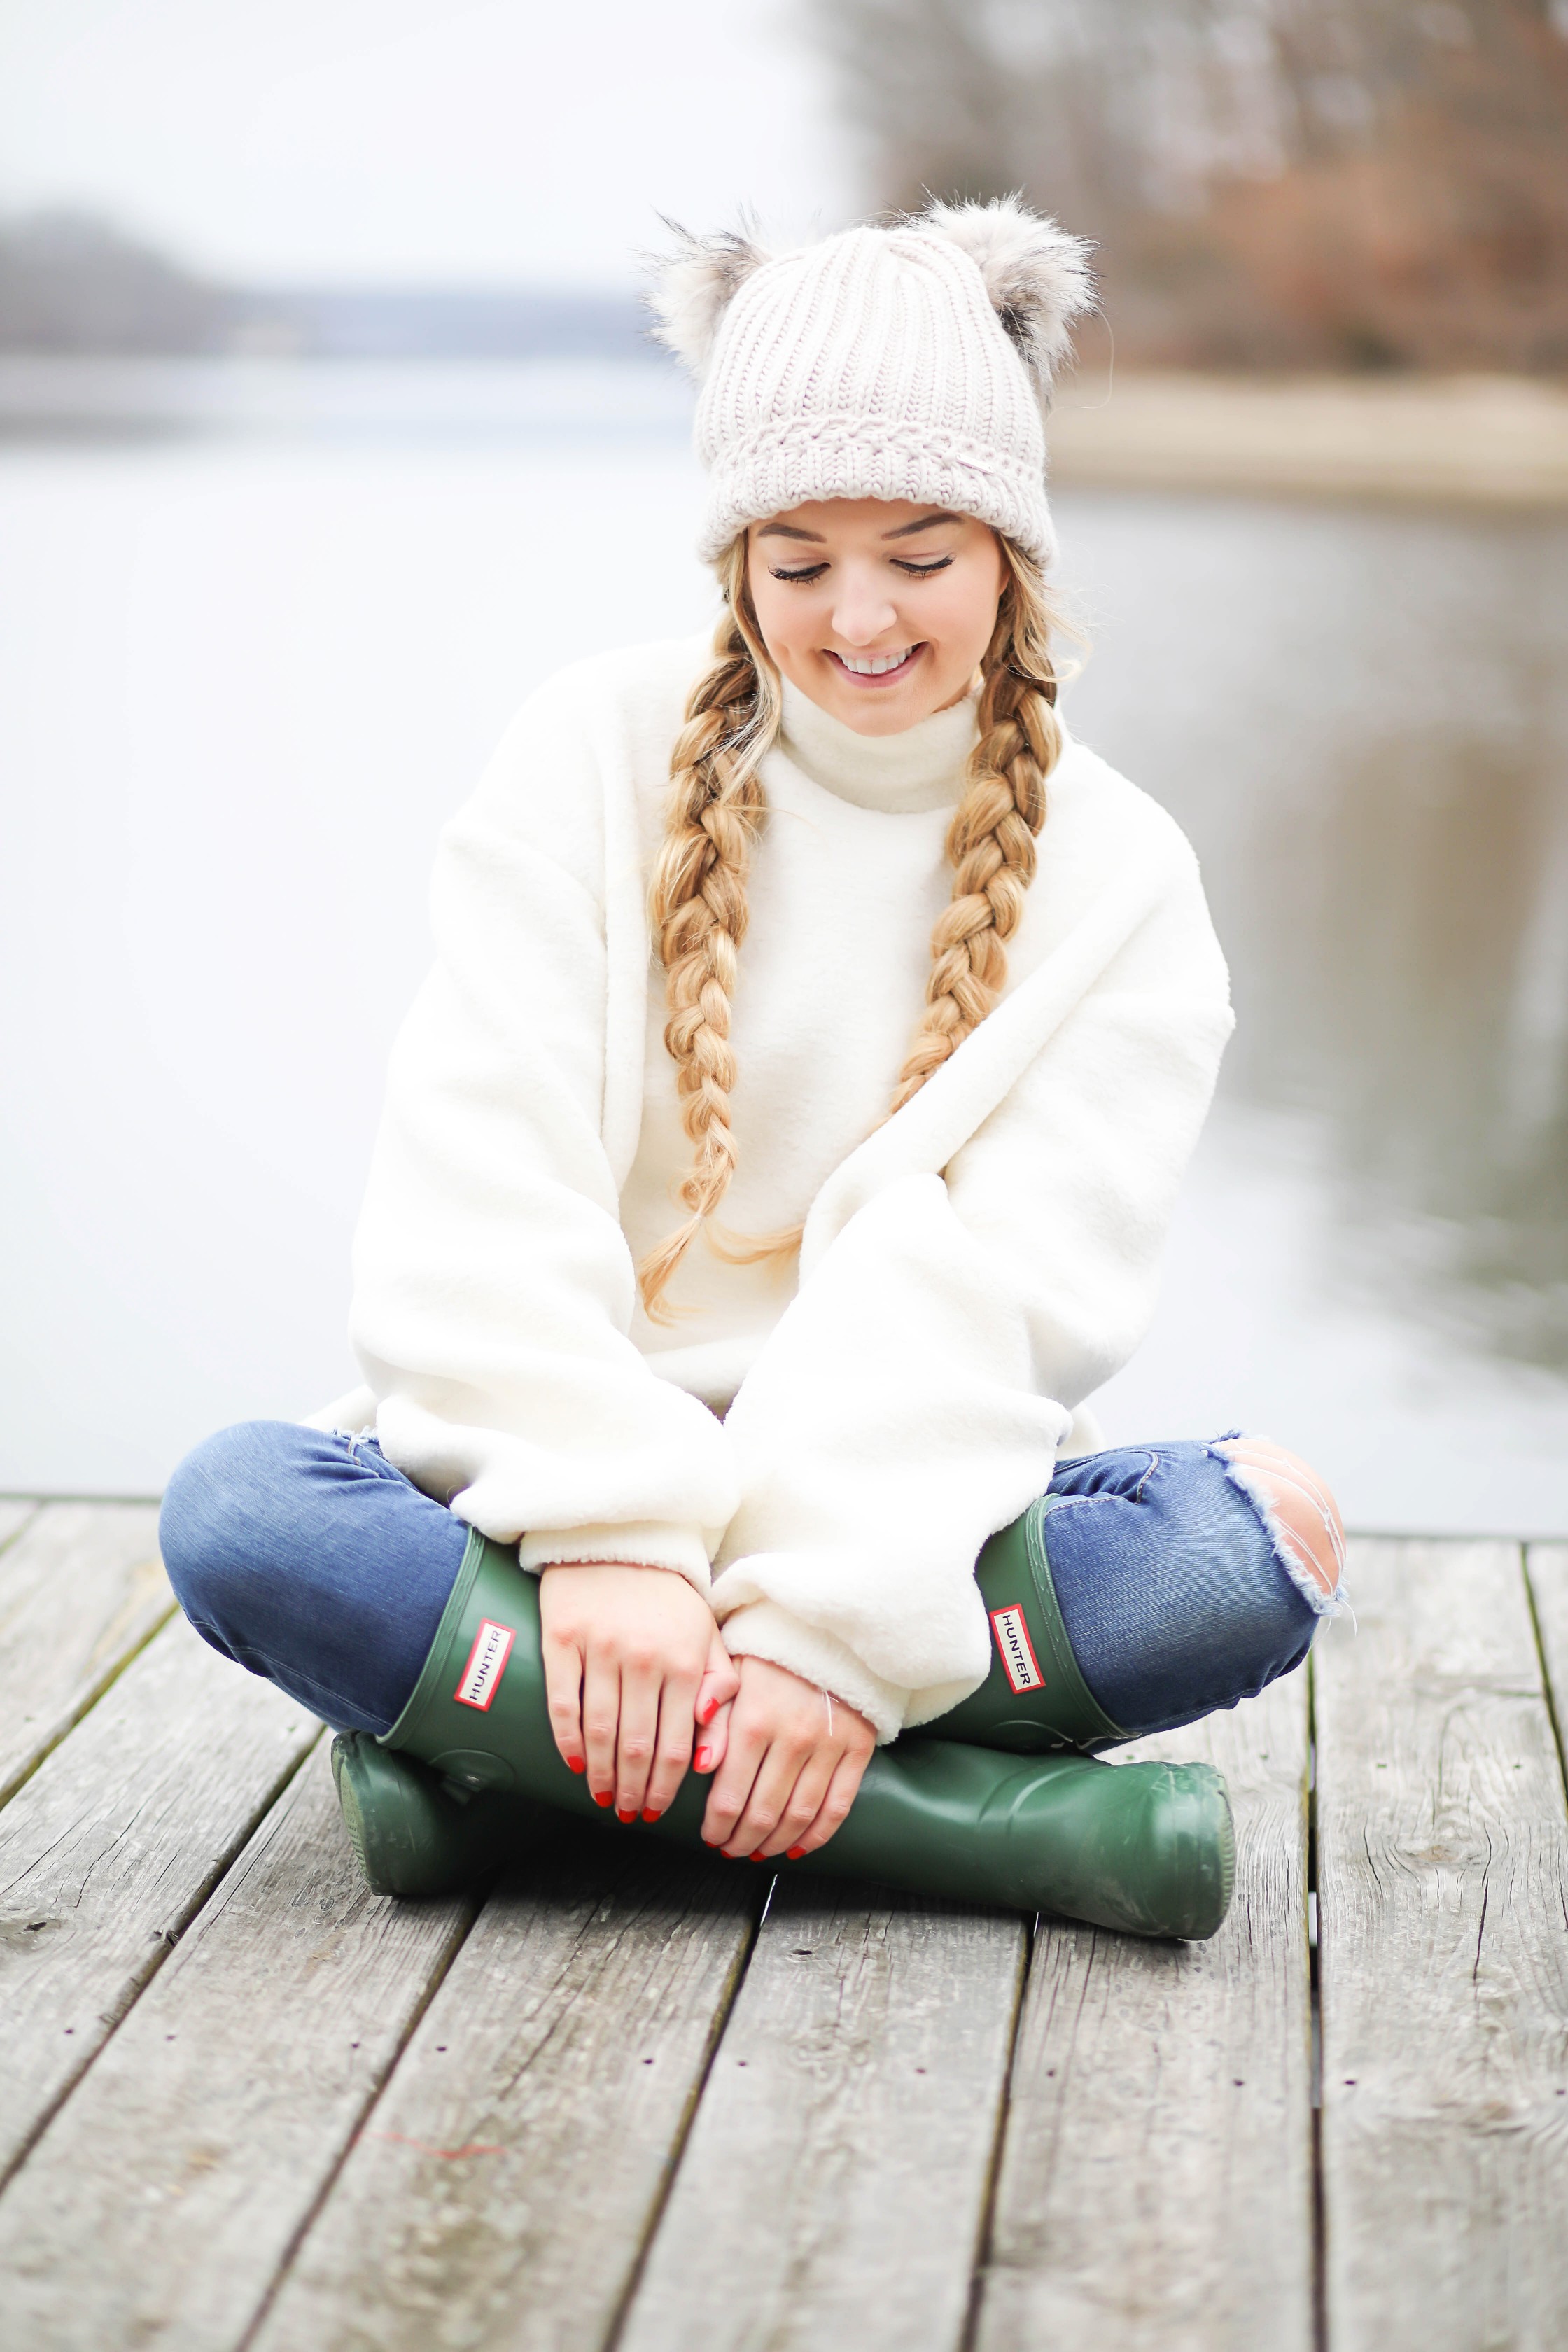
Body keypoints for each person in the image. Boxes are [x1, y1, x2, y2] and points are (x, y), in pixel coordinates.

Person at [159, 198, 1344, 1940]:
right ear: (735, 565)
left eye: (920, 556)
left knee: (1247, 1546)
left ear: (1012, 549)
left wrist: (829, 1628)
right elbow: (475, 1177)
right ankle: (967, 1827)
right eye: (797, 564)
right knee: (245, 1513)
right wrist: (616, 1535)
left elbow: (1000, 1302)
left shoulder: (1123, 877)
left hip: (900, 1515)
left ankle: (500, 1775)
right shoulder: (588, 751)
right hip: (555, 1516)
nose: (858, 618)